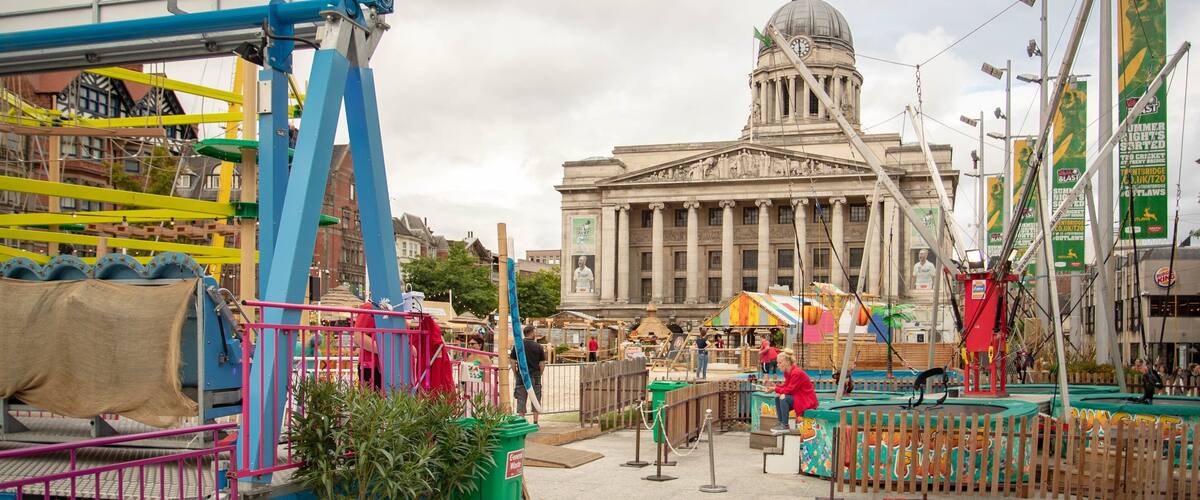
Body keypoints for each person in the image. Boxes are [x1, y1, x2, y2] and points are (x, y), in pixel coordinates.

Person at [770, 352, 817, 433]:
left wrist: (775, 389)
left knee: (783, 397)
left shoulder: (796, 373)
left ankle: (785, 425)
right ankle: (781, 422)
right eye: (777, 363)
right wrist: (774, 388)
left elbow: (790, 390)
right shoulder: (788, 373)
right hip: (799, 398)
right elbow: (786, 386)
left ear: (787, 362)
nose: (777, 365)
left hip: (806, 400)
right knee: (778, 397)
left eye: (780, 363)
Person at [510, 325, 547, 423]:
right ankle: (535, 422)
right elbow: (542, 364)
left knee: (521, 398)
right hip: (535, 375)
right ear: (531, 333)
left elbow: (512, 361)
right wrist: (540, 374)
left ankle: (521, 421)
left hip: (521, 375)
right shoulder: (538, 347)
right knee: (536, 398)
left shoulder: (518, 345)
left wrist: (515, 373)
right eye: (535, 332)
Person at [351, 302, 382, 390]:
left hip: (389, 365)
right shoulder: (369, 307)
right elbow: (358, 336)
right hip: (371, 365)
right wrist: (385, 350)